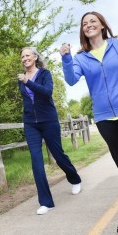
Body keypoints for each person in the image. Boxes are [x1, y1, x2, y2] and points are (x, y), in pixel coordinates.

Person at [59, 11, 118, 235]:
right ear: (82, 31)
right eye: (85, 24)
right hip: (103, 115)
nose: (89, 25)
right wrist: (66, 59)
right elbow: (72, 80)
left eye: (93, 21)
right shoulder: (81, 58)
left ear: (102, 25)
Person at [17, 47, 82, 215]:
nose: (25, 58)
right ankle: (46, 202)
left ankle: (74, 179)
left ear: (35, 57)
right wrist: (26, 115)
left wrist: (27, 82)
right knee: (36, 161)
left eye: (27, 55)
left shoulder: (45, 74)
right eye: (22, 56)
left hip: (49, 121)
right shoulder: (21, 78)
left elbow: (47, 93)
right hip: (31, 123)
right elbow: (27, 100)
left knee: (58, 155)